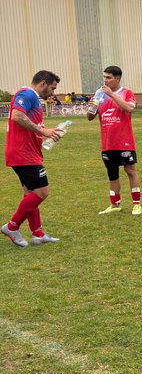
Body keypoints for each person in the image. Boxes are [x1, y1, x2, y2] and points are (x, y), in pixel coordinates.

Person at [3, 71, 64, 248]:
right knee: (41, 192)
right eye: (52, 88)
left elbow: (31, 124)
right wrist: (42, 131)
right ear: (43, 83)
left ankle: (37, 233)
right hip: (23, 153)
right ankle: (12, 226)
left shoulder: (35, 99)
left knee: (30, 193)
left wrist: (46, 133)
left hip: (27, 152)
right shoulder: (27, 93)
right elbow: (17, 116)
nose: (52, 93)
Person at [88, 65, 142, 216]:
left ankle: (136, 204)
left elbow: (129, 109)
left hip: (124, 141)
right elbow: (90, 117)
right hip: (107, 142)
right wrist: (92, 107)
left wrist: (111, 94)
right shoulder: (100, 94)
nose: (105, 80)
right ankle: (114, 204)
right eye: (104, 77)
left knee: (130, 170)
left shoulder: (126, 93)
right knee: (112, 173)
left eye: (108, 77)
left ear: (117, 79)